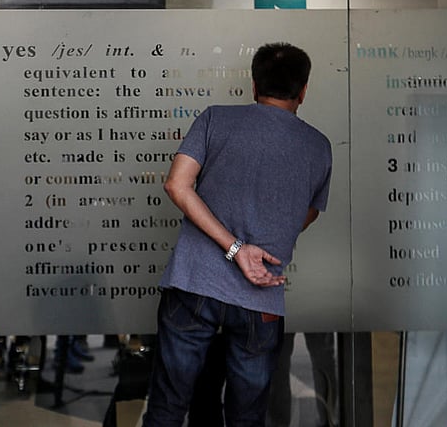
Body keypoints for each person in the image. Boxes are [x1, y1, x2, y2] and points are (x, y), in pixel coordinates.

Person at [142, 42, 332, 427]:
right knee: (247, 417)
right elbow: (305, 215)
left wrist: (233, 247)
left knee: (168, 407)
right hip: (261, 299)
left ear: (253, 84)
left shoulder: (215, 119)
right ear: (304, 90)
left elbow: (177, 185)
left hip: (193, 284)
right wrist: (260, 233)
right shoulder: (319, 146)